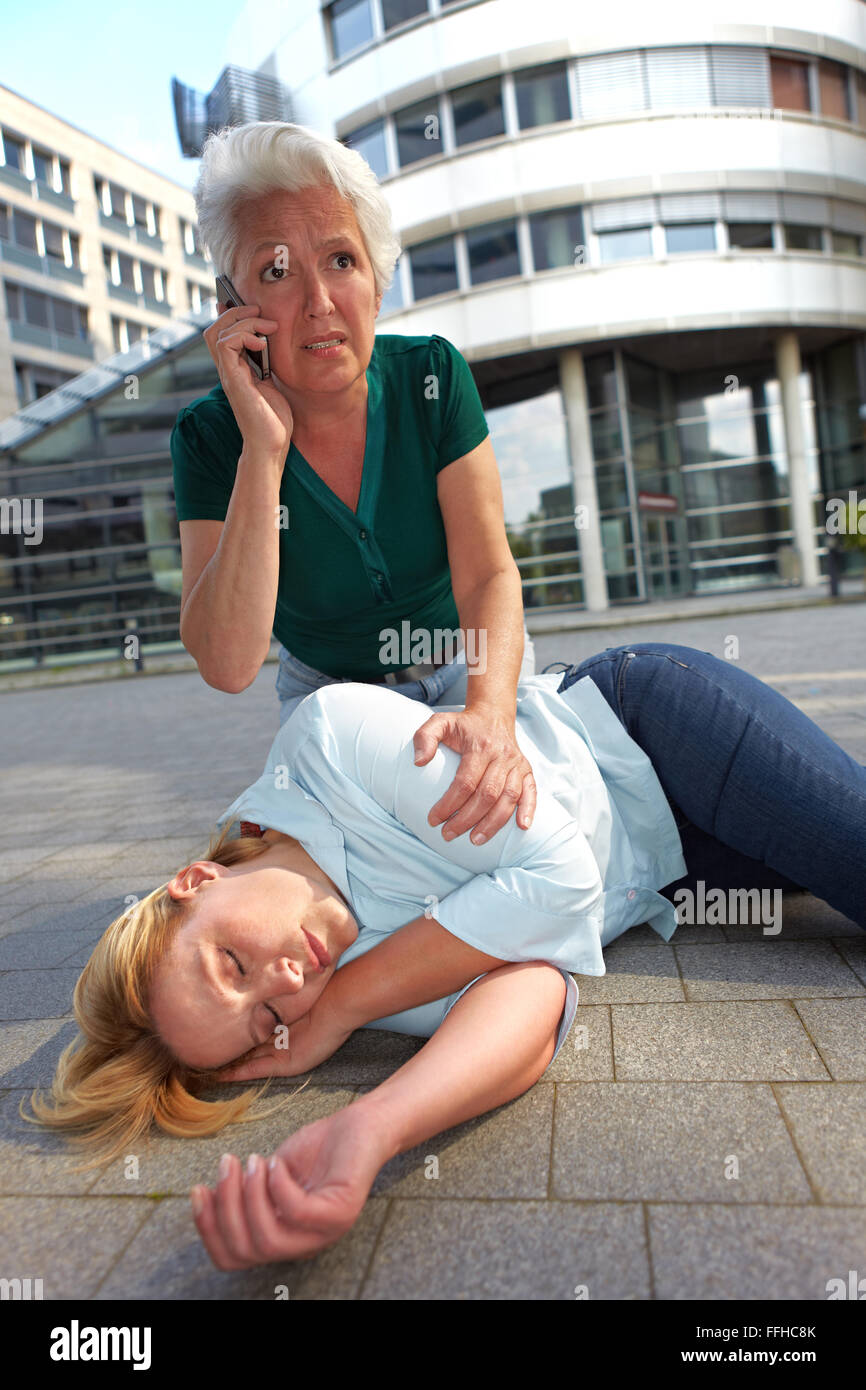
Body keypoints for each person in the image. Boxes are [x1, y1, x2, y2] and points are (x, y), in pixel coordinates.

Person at [25, 643, 866, 1270]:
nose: (289, 985)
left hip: (651, 733)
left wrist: (350, 1003)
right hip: (679, 877)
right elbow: (536, 992)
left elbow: (563, 878)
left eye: (231, 965)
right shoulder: (333, 983)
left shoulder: (331, 743)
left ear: (196, 879)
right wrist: (369, 1130)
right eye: (266, 1022)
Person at [170, 118, 538, 849]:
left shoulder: (432, 376)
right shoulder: (211, 436)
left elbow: (490, 572)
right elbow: (229, 661)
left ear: (376, 279)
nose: (318, 301)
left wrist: (491, 713)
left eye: (341, 260)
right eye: (275, 271)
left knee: (512, 834)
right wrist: (262, 451)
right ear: (230, 308)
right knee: (339, 886)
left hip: (467, 673)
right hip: (329, 700)